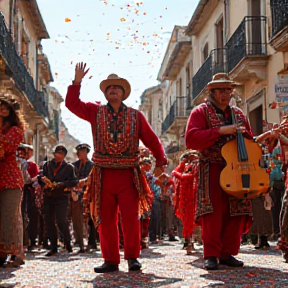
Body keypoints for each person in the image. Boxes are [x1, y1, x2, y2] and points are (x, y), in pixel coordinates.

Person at [65, 62, 168, 273]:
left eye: (117, 88)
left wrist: (161, 161)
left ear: (123, 93)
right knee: (106, 218)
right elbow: (72, 104)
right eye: (109, 88)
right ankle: (110, 259)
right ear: (105, 93)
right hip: (102, 174)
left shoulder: (135, 115)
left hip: (128, 174)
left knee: (131, 217)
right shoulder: (94, 111)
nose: (113, 90)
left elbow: (152, 139)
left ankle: (132, 257)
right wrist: (77, 82)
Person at [185, 73, 258, 270]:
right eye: (220, 90)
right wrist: (220, 131)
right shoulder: (200, 112)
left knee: (236, 209)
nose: (224, 93)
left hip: (238, 167)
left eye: (227, 89)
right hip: (212, 167)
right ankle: (211, 254)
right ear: (212, 92)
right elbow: (191, 139)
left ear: (232, 91)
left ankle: (227, 253)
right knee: (212, 211)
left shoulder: (239, 114)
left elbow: (249, 137)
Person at [38, 145, 80, 256]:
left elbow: (74, 181)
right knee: (49, 220)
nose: (59, 156)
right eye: (58, 153)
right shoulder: (47, 165)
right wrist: (44, 182)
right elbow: (40, 176)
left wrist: (61, 184)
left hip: (62, 196)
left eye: (62, 154)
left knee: (61, 220)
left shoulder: (69, 167)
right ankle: (53, 246)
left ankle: (68, 243)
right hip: (49, 196)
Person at [0, 96, 25, 268]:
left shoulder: (16, 130)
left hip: (10, 179)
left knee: (10, 218)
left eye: (5, 108)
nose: (2, 110)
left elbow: (4, 146)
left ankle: (9, 254)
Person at [71, 143, 95, 253]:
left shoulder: (92, 166)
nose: (81, 154)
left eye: (83, 152)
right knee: (77, 218)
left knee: (91, 218)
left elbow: (94, 178)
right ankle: (79, 241)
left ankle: (92, 241)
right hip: (77, 194)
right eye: (80, 152)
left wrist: (85, 182)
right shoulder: (73, 166)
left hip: (89, 194)